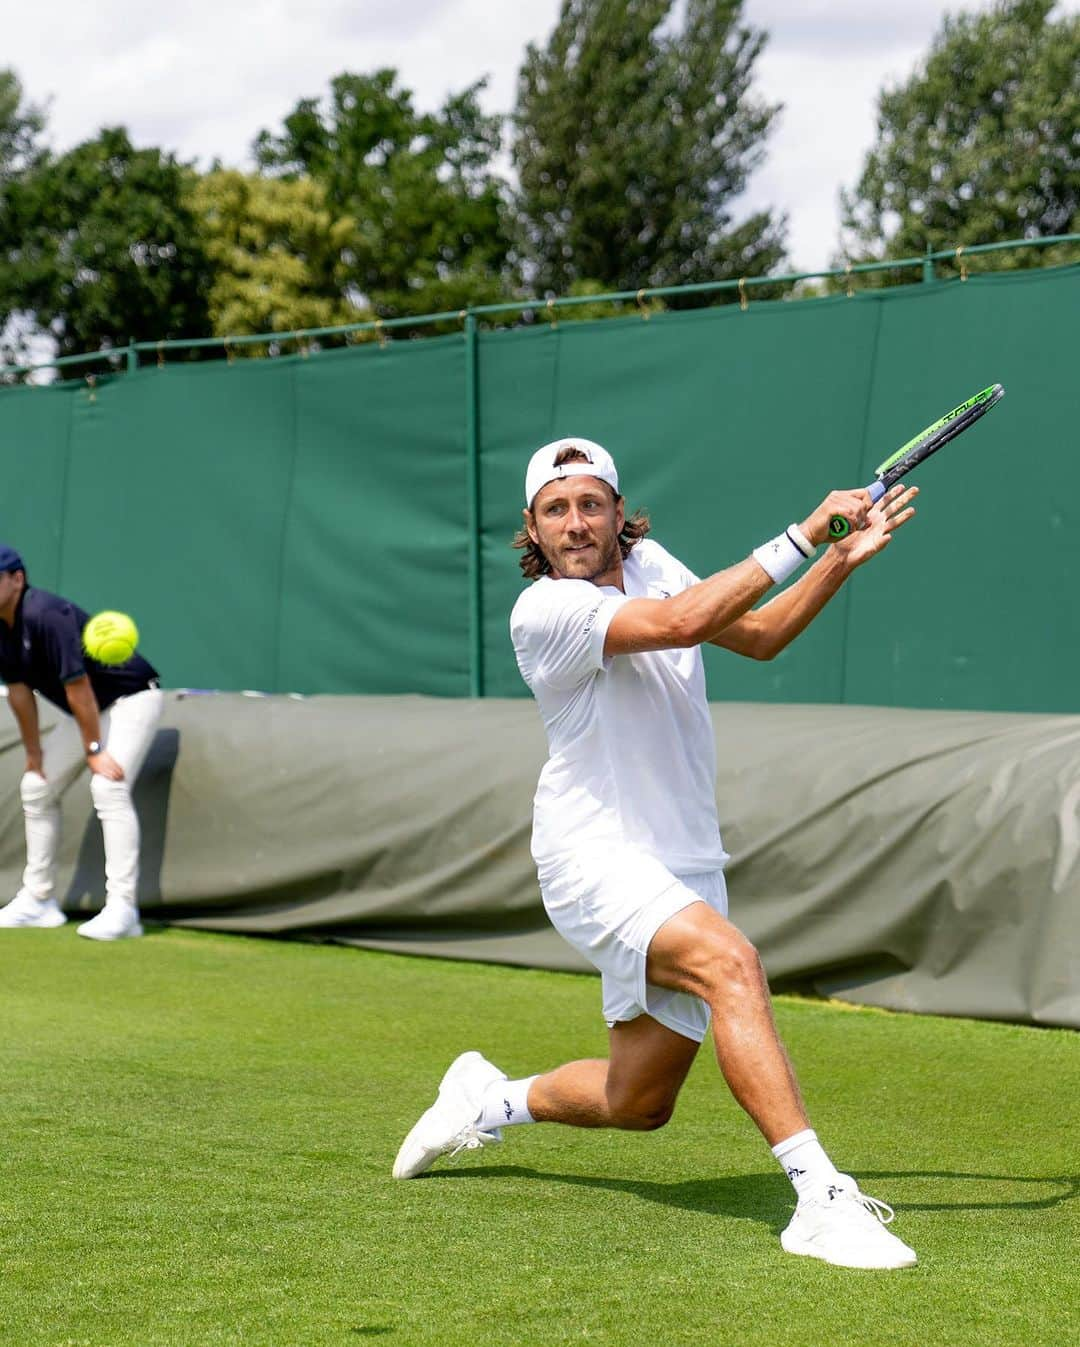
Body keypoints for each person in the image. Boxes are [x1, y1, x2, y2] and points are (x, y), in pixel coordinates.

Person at [393, 437, 920, 1270]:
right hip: (591, 854)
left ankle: (486, 1098)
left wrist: (838, 560)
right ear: (532, 526)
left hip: (684, 856)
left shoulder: (654, 563)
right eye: (556, 508)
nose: (576, 522)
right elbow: (682, 623)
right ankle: (819, 1196)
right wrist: (803, 531)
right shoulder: (544, 612)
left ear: (615, 510)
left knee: (637, 1098)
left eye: (590, 502)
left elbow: (756, 634)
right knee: (731, 964)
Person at [0, 547, 163, 940]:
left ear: (17, 579)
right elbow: (19, 692)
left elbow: (78, 687)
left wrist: (94, 750)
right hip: (88, 712)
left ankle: (124, 909)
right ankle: (39, 900)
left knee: (108, 785)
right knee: (35, 787)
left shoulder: (46, 614)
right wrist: (35, 754)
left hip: (132, 700)